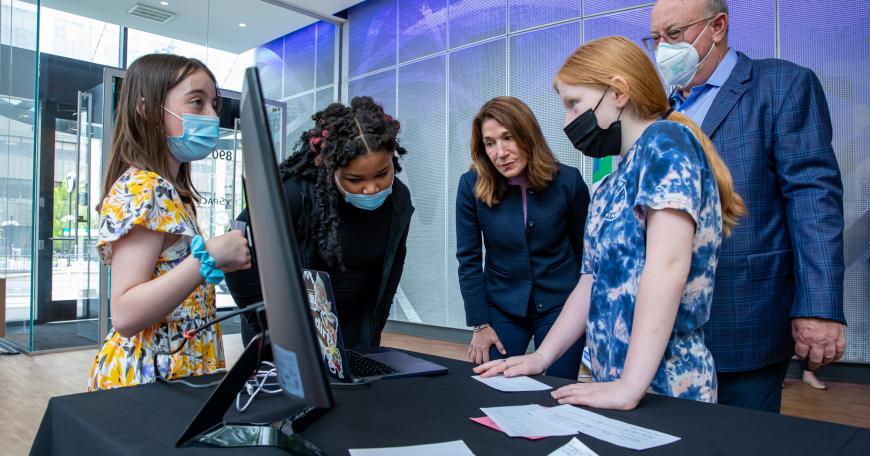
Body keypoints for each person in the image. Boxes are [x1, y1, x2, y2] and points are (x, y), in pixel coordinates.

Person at [476, 36, 746, 410]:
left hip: (664, 387)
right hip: (614, 382)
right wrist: (542, 357)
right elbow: (590, 280)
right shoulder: (611, 184)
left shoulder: (667, 142)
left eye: (574, 104)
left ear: (618, 92)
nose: (568, 121)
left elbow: (668, 265)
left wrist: (630, 386)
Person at [649, 0, 846, 412]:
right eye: (655, 39)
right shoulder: (661, 113)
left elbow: (813, 199)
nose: (663, 50)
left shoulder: (781, 86)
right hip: (666, 324)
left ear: (717, 26)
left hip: (745, 314)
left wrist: (818, 308)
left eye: (673, 35)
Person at [87, 54, 251, 391]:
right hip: (149, 376)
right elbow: (126, 313)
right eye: (197, 102)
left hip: (173, 367)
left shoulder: (170, 191)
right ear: (147, 110)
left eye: (214, 104)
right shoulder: (147, 188)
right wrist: (209, 257)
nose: (212, 116)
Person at [225, 97, 413, 349]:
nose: (371, 188)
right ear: (329, 166)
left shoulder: (398, 200)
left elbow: (393, 265)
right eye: (355, 179)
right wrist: (271, 330)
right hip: (286, 333)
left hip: (353, 331)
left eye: (382, 174)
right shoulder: (293, 193)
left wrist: (375, 323)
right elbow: (238, 260)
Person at [456, 96, 590, 380]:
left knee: (556, 390)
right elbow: (468, 260)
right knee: (490, 383)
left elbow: (585, 256)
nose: (500, 152)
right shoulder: (470, 186)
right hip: (502, 306)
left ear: (528, 135)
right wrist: (480, 324)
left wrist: (583, 314)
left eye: (508, 138)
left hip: (560, 305)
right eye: (490, 143)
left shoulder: (569, 182)